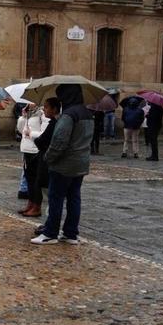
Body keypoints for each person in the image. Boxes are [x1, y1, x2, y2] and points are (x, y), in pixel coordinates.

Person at [31, 84, 93, 245]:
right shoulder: (87, 113)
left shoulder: (68, 115)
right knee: (74, 198)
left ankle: (50, 233)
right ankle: (70, 233)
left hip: (64, 164)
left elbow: (59, 141)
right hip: (81, 163)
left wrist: (49, 158)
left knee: (56, 198)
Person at [31, 98, 61, 230]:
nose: (44, 109)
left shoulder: (55, 123)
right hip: (48, 161)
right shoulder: (55, 122)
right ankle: (50, 224)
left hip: (48, 162)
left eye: (47, 107)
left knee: (51, 196)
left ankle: (51, 226)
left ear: (54, 109)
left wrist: (35, 138)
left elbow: (43, 141)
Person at [16, 103, 49, 218]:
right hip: (26, 149)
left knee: (36, 181)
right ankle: (30, 204)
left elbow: (45, 133)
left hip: (36, 150)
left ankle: (36, 206)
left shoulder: (42, 113)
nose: (29, 103)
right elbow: (20, 129)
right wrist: (23, 117)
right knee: (29, 179)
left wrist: (31, 134)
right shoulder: (29, 113)